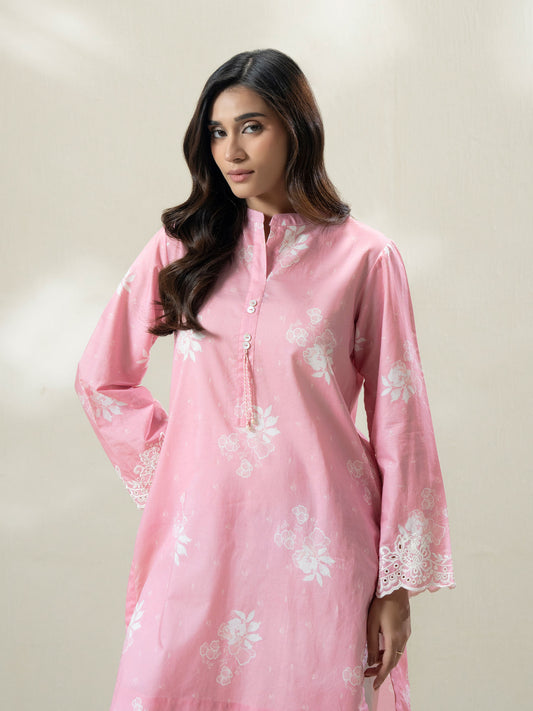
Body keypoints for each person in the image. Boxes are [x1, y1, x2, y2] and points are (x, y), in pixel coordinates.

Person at [75, 48, 455, 711]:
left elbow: (402, 424)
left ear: (296, 127)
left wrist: (395, 589)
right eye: (218, 132)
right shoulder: (181, 247)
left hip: (321, 547)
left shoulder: (365, 259)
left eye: (252, 126)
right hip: (199, 541)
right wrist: (173, 467)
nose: (232, 150)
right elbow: (101, 378)